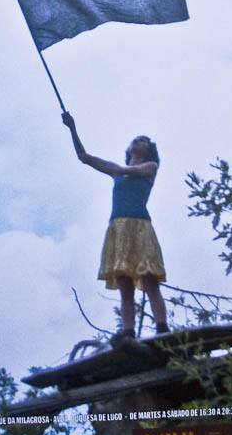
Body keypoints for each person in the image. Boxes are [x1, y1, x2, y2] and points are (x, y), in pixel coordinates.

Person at [62, 111, 169, 339]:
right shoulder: (118, 172)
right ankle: (128, 332)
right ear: (129, 149)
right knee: (125, 286)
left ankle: (162, 328)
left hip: (141, 227)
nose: (140, 141)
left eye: (145, 141)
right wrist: (72, 128)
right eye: (137, 139)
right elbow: (84, 156)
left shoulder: (150, 167)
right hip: (118, 229)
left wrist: (112, 168)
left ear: (149, 150)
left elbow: (123, 170)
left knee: (150, 281)